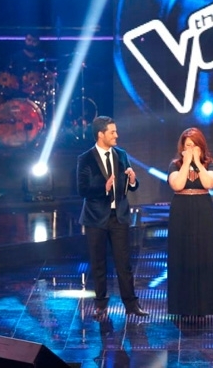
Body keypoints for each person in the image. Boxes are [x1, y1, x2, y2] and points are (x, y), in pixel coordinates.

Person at [77, 116, 148, 318]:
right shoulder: (86, 159)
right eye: (112, 132)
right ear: (101, 134)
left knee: (124, 263)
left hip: (119, 217)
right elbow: (82, 190)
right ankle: (101, 305)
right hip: (95, 218)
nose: (116, 135)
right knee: (98, 263)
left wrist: (133, 181)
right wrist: (104, 187)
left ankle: (131, 304)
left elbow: (130, 186)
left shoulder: (121, 155)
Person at [167, 127, 213, 316]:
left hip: (202, 209)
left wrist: (197, 162)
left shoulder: (209, 164)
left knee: (203, 253)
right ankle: (181, 306)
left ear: (201, 147)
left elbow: (209, 183)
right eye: (187, 146)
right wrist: (187, 162)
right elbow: (177, 184)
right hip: (181, 210)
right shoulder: (175, 165)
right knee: (181, 253)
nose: (190, 149)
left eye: (194, 146)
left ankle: (204, 306)